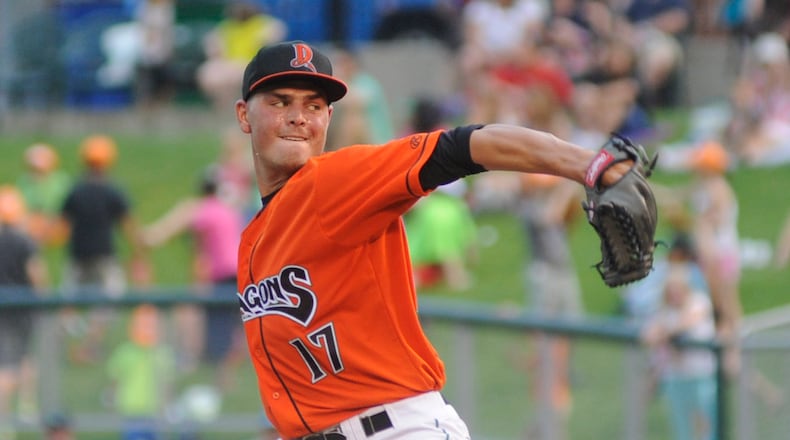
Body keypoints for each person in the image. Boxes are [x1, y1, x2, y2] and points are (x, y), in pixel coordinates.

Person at [232, 40, 635, 439]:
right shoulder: (253, 240)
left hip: (396, 429)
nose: (299, 116)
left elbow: (462, 147)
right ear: (244, 115)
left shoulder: (333, 180)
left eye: (314, 106)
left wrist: (589, 163)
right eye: (280, 102)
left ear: (329, 117)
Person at [142, 165, 247, 386]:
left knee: (219, 327)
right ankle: (228, 377)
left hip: (224, 275)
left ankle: (219, 378)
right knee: (238, 326)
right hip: (245, 271)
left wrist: (145, 238)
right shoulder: (228, 210)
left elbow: (163, 231)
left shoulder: (202, 209)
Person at [58, 134, 149, 364]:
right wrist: (138, 256)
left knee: (66, 304)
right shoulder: (112, 191)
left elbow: (61, 229)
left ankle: (72, 347)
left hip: (77, 257)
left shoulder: (75, 191)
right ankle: (89, 345)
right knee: (109, 302)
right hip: (105, 258)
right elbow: (129, 227)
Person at [641, 264, 718, 440]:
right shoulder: (664, 312)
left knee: (708, 424)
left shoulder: (699, 302)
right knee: (683, 426)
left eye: (678, 289)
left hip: (702, 375)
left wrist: (665, 332)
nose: (675, 294)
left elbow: (688, 321)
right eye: (671, 290)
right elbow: (648, 334)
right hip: (676, 377)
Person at [0, 186, 48, 440]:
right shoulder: (24, 240)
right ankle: (24, 408)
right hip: (23, 309)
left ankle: (7, 419)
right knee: (23, 358)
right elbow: (36, 273)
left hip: (3, 309)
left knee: (7, 361)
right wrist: (43, 299)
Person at [196, 0, 287, 114]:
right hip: (229, 63)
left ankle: (248, 108)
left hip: (253, 63)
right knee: (210, 74)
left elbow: (274, 35)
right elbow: (214, 46)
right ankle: (225, 109)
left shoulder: (265, 24)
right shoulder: (228, 26)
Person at [106, 303, 175, 439]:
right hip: (132, 411)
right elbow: (115, 380)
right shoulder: (125, 352)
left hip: (154, 411)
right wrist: (112, 399)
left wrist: (167, 406)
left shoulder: (163, 353)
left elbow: (167, 384)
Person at [15, 143, 71, 247]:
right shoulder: (24, 182)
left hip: (55, 221)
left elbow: (66, 209)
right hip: (32, 221)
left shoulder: (61, 181)